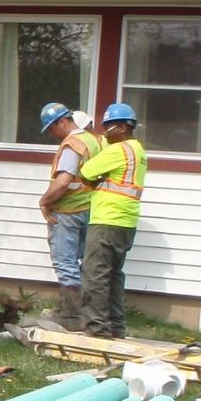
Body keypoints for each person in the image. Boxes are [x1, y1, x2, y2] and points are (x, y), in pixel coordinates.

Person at [77, 103, 148, 339]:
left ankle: (97, 328)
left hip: (107, 218)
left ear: (124, 127)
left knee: (95, 273)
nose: (105, 131)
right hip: (126, 221)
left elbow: (86, 171)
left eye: (109, 126)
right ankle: (116, 326)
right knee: (114, 274)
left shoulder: (118, 151)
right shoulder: (137, 151)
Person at [36, 103, 106, 331]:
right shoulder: (94, 140)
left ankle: (71, 316)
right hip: (90, 208)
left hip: (68, 211)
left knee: (65, 262)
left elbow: (64, 181)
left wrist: (45, 201)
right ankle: (88, 314)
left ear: (62, 122)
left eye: (50, 129)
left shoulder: (71, 145)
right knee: (87, 263)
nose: (51, 135)